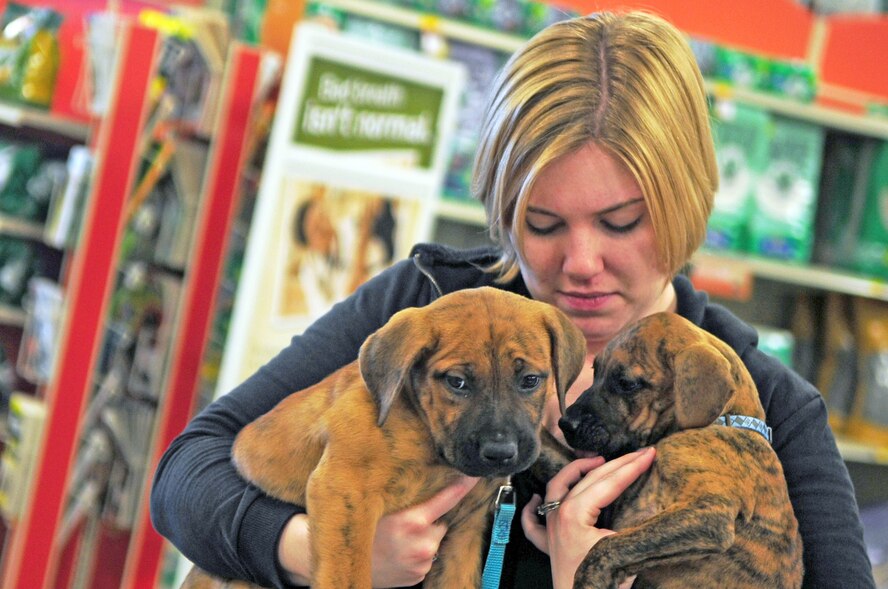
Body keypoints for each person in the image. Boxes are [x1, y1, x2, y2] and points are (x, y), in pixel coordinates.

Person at [150, 10, 875, 589]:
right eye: (542, 223)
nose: (580, 263)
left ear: (687, 202)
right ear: (501, 207)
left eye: (623, 223)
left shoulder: (763, 409)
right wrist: (315, 550)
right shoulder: (432, 307)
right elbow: (188, 474)